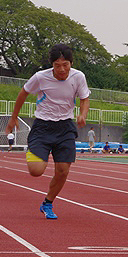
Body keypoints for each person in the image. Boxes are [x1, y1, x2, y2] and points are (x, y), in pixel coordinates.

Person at [5, 44, 90, 220]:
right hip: (43, 126)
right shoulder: (40, 77)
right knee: (36, 171)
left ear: (71, 63)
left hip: (65, 126)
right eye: (57, 65)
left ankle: (48, 203)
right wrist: (13, 118)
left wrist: (83, 114)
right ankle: (34, 150)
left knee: (63, 170)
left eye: (65, 65)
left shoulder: (78, 77)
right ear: (52, 65)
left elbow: (84, 98)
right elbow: (23, 93)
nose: (61, 69)